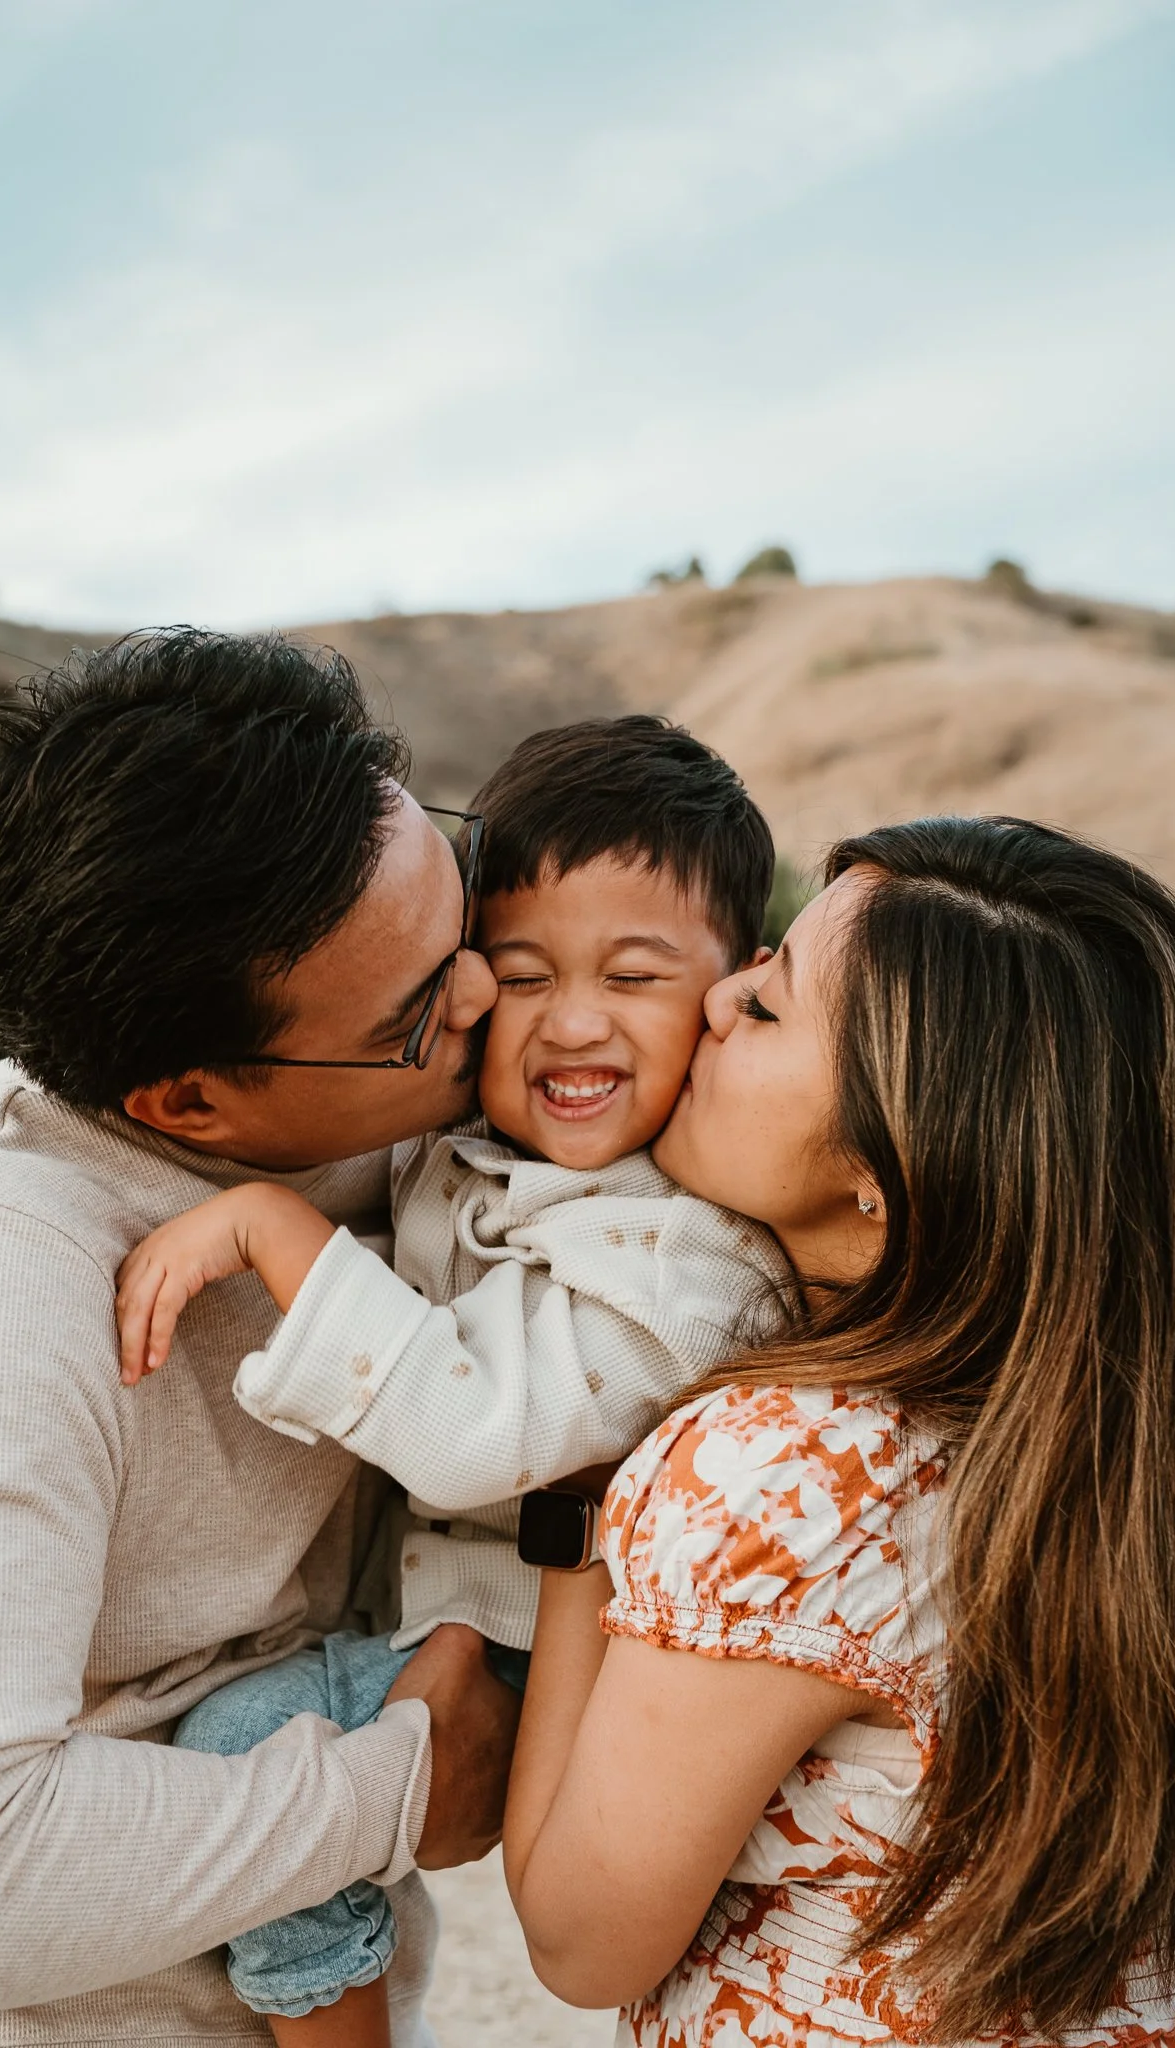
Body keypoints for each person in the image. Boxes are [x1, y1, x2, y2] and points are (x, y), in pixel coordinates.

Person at [0, 630, 518, 2048]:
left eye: (466, 915)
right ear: (187, 1107)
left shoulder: (410, 1115)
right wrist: (390, 1788)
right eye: (412, 1016)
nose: (489, 1000)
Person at [111, 715, 791, 2048]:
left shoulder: (690, 1250)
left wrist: (269, 1228)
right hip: (459, 1613)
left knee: (250, 1742)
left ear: (725, 993)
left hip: (572, 1674)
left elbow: (483, 1437)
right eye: (522, 972)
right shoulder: (476, 1149)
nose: (572, 1021)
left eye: (634, 975)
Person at [503, 815, 1175, 2045]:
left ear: (887, 1160)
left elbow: (577, 1935)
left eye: (766, 1008)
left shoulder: (790, 1469)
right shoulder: (1119, 1439)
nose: (715, 1000)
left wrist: (577, 1493)